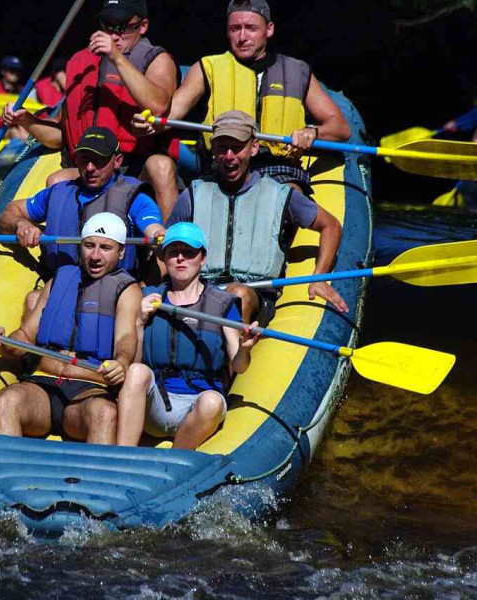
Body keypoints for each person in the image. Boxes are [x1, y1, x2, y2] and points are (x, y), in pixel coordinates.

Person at [133, 0, 351, 195]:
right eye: (235, 29)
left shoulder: (297, 71)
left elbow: (341, 128)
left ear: (269, 29)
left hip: (280, 169)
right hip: (224, 166)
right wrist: (150, 123)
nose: (242, 37)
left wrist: (311, 132)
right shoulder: (207, 67)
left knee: (287, 197)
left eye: (251, 28)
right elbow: (171, 114)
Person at [1, 0, 182, 219]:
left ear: (142, 26)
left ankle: (168, 248)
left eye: (122, 27)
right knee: (56, 181)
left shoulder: (157, 60)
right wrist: (25, 120)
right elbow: (60, 136)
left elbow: (159, 106)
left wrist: (116, 58)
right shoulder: (80, 63)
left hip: (134, 168)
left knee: (161, 166)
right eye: (107, 25)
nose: (113, 35)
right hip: (89, 168)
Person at [168, 110, 348, 324]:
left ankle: (233, 352)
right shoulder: (193, 194)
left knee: (237, 295)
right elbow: (167, 246)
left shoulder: (280, 195)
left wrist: (320, 278)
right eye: (221, 148)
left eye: (236, 148)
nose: (229, 156)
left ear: (253, 148)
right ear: (214, 151)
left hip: (255, 295)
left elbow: (331, 226)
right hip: (201, 292)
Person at [0, 213, 143, 444]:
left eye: (105, 248)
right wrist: (4, 343)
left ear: (121, 252)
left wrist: (122, 362)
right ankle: (5, 475)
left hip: (88, 391)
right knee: (5, 401)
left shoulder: (127, 290)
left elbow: (126, 337)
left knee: (105, 413)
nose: (95, 256)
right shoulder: (58, 280)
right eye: (89, 246)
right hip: (41, 385)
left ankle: (95, 478)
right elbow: (26, 335)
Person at [116, 222, 260, 449]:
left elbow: (239, 366)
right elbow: (132, 363)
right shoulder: (147, 298)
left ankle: (175, 460)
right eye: (173, 253)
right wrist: (139, 322)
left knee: (212, 402)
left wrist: (244, 348)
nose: (181, 258)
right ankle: (120, 457)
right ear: (164, 258)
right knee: (136, 372)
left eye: (189, 253)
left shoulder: (222, 304)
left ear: (202, 259)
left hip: (198, 404)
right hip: (155, 404)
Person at [0, 126, 166, 279]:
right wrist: (21, 225)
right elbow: (7, 215)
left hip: (113, 291)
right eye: (85, 159)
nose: (90, 168)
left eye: (99, 160)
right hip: (61, 284)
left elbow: (154, 229)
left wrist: (159, 237)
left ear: (117, 161)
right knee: (33, 300)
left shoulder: (136, 198)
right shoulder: (58, 192)